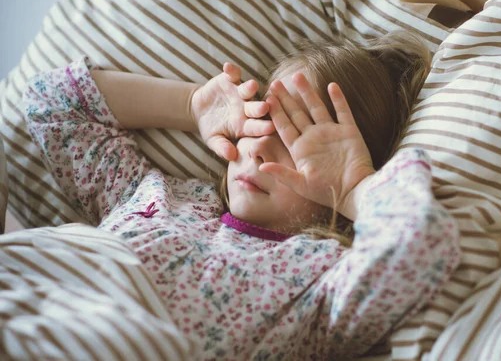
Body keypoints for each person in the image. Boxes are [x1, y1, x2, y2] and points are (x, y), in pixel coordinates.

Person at [21, 31, 461, 360]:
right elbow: (51, 103)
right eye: (262, 116)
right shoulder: (161, 193)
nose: (260, 144)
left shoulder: (319, 277)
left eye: (298, 136)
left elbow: (424, 246)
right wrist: (191, 106)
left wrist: (352, 185)